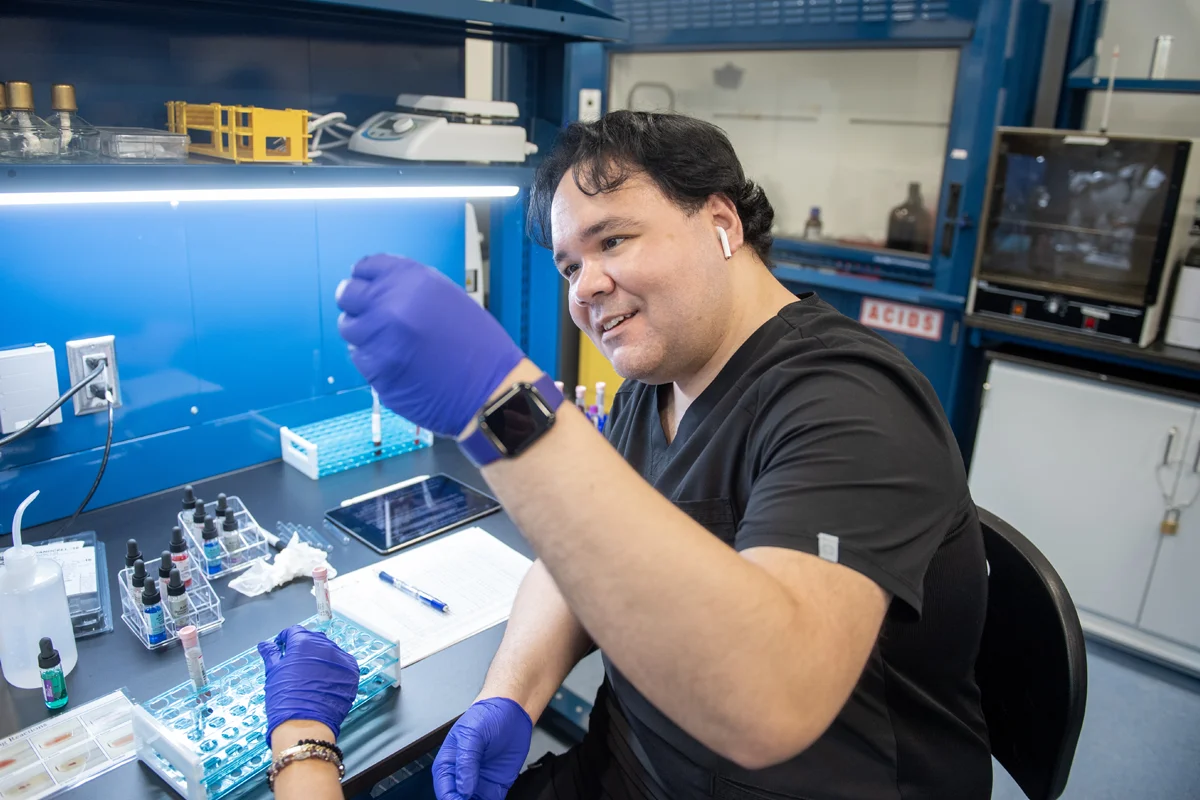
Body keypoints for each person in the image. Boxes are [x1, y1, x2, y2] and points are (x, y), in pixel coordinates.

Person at [330, 110, 991, 799]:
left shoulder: (848, 401)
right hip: (633, 768)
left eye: (612, 239)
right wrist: (509, 696)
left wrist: (496, 400)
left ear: (722, 224)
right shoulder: (653, 392)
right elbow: (578, 560)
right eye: (569, 265)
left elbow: (771, 699)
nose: (584, 288)